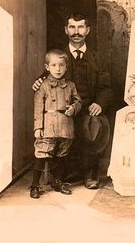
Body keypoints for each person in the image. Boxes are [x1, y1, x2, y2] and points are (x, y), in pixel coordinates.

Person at [32, 13, 112, 189]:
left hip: (86, 108)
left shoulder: (98, 58)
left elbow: (106, 87)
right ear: (66, 30)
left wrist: (99, 103)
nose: (77, 32)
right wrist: (39, 81)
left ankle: (90, 173)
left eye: (81, 27)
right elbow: (48, 76)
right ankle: (64, 174)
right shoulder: (58, 57)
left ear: (88, 30)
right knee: (59, 130)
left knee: (92, 125)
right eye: (72, 27)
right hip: (62, 110)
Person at [31, 49, 82, 199]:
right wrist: (38, 127)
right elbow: (38, 108)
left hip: (65, 125)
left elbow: (78, 101)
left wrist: (73, 108)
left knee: (62, 155)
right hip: (48, 125)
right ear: (47, 67)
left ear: (66, 67)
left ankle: (58, 182)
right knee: (42, 154)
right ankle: (35, 185)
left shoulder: (71, 85)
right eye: (54, 65)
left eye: (61, 65)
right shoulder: (43, 86)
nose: (58, 69)